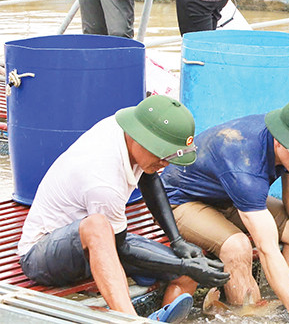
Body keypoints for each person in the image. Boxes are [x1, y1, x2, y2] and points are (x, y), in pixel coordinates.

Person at [18, 95, 230, 323]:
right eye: (162, 156)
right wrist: (182, 262)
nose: (165, 164)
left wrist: (177, 241)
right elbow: (120, 247)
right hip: (43, 255)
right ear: (141, 139)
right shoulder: (103, 178)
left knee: (187, 275)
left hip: (99, 247)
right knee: (98, 226)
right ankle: (130, 320)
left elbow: (148, 178)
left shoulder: (131, 131)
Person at [161, 98, 289, 323]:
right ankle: (253, 314)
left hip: (230, 196)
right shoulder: (246, 166)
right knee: (237, 247)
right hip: (183, 201)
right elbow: (267, 250)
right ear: (279, 143)